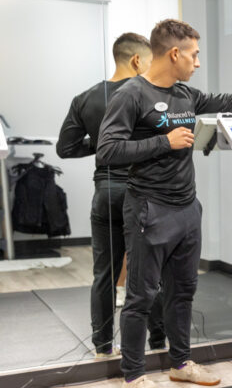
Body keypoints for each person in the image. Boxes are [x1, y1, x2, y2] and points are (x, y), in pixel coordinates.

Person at [96, 19, 232, 388]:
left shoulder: (185, 94)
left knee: (182, 292)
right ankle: (133, 377)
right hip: (149, 209)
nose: (197, 62)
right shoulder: (131, 95)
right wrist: (164, 142)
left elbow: (226, 101)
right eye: (194, 55)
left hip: (186, 209)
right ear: (174, 54)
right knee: (141, 296)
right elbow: (108, 151)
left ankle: (180, 364)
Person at [57, 32, 166, 358]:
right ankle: (158, 344)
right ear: (136, 60)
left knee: (104, 274)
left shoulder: (86, 98)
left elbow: (65, 148)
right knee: (150, 273)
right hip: (142, 193)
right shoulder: (148, 94)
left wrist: (101, 143)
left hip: (105, 194)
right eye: (150, 62)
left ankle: (103, 348)